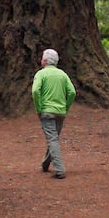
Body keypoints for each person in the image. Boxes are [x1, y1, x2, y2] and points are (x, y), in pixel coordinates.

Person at [32, 48, 76, 179]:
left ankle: (59, 169)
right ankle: (46, 163)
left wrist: (39, 108)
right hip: (60, 112)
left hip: (46, 111)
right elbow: (72, 92)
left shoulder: (41, 74)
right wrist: (66, 107)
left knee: (52, 139)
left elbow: (35, 91)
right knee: (54, 139)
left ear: (44, 61)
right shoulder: (63, 74)